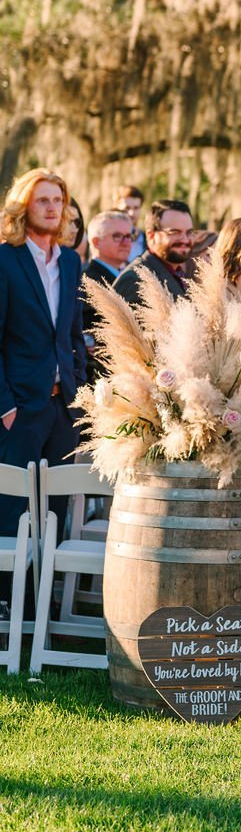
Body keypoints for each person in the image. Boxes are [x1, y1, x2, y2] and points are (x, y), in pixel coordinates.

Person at [0, 169, 88, 549]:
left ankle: (44, 598)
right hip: (19, 407)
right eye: (42, 200)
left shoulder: (69, 262)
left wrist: (80, 393)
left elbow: (73, 335)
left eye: (57, 200)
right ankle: (5, 601)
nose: (52, 208)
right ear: (24, 207)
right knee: (12, 510)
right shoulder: (5, 260)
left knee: (55, 512)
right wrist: (5, 407)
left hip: (62, 407)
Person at [82, 210, 134, 378]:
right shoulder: (88, 280)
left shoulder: (129, 275)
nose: (126, 242)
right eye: (117, 236)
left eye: (129, 235)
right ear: (96, 242)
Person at [113, 200, 194, 307]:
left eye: (189, 232)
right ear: (151, 236)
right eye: (174, 232)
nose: (185, 240)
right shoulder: (135, 280)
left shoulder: (179, 274)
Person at [112, 185, 146, 262]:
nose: (131, 213)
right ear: (116, 207)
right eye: (127, 208)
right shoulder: (107, 237)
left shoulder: (145, 239)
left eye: (136, 208)